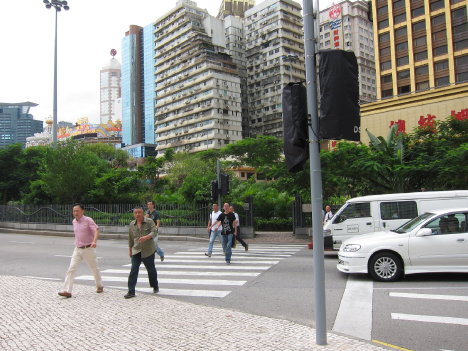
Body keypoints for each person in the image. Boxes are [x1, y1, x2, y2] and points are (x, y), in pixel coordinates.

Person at [58, 204, 104, 298]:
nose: (75, 213)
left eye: (77, 211)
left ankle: (99, 285)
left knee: (94, 268)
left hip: (88, 248)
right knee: (71, 268)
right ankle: (67, 290)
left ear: (82, 211)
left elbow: (96, 230)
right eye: (74, 211)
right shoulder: (74, 221)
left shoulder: (88, 220)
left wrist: (94, 241)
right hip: (78, 248)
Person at [125, 207, 159, 299]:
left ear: (142, 213)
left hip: (148, 250)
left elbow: (154, 231)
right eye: (135, 213)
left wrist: (146, 237)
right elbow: (130, 239)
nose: (137, 214)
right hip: (136, 251)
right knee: (133, 270)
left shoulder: (149, 221)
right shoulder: (132, 224)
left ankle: (154, 285)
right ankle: (131, 291)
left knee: (151, 270)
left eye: (139, 212)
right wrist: (130, 251)